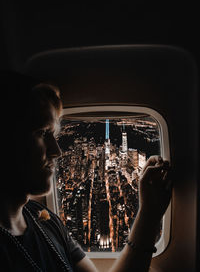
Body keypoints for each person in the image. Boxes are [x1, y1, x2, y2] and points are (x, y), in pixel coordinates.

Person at [0, 72, 172, 271]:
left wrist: (149, 213)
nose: (56, 151)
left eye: (53, 135)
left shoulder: (44, 220)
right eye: (42, 133)